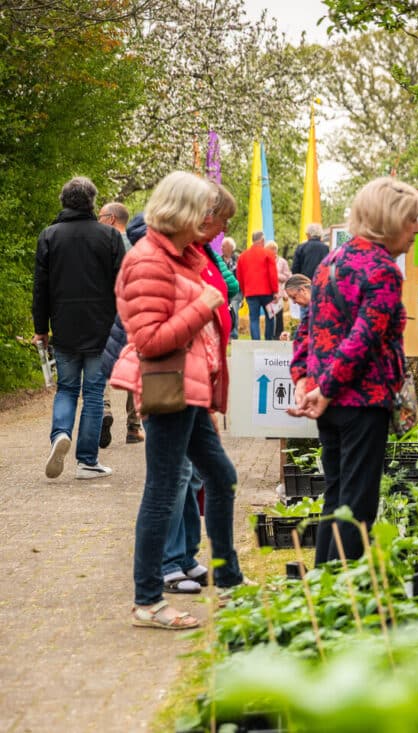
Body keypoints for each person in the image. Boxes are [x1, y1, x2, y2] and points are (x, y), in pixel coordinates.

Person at [110, 171, 245, 629]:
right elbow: (148, 339)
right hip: (168, 388)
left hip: (190, 389)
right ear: (183, 211)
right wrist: (202, 306)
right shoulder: (149, 260)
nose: (211, 221)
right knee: (163, 492)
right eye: (205, 211)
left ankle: (229, 580)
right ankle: (148, 600)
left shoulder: (182, 254)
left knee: (221, 476)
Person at [293, 177, 418, 565]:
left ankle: (322, 590)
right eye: (412, 219)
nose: (417, 229)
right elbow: (363, 339)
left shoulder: (330, 262)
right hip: (361, 400)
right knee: (358, 506)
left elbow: (308, 329)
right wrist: (328, 388)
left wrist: (305, 379)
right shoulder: (383, 270)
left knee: (336, 498)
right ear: (389, 220)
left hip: (330, 403)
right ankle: (344, 600)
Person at [162, 182, 240, 595]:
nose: (222, 229)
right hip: (175, 379)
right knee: (174, 476)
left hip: (200, 377)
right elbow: (155, 327)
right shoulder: (165, 253)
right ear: (200, 214)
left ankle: (187, 555)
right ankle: (166, 566)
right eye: (222, 220)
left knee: (197, 476)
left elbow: (225, 286)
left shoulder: (200, 251)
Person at [32, 176, 124, 479]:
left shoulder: (49, 236)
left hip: (64, 326)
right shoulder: (109, 237)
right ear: (92, 202)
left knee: (67, 388)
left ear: (63, 201)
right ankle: (87, 461)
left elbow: (41, 288)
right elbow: (123, 285)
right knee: (94, 393)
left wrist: (41, 328)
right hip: (101, 327)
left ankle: (60, 434)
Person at [96, 202, 138, 449]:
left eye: (100, 216)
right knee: (134, 364)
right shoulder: (138, 246)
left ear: (111, 219)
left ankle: (104, 409)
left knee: (100, 362)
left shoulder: (100, 244)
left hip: (103, 313)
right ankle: (133, 426)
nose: (98, 220)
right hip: (131, 314)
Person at [236, 230, 278, 340]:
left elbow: (239, 276)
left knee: (254, 318)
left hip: (251, 293)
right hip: (267, 293)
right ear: (262, 240)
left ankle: (256, 343)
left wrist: (245, 292)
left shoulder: (242, 256)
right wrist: (275, 291)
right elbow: (272, 275)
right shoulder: (269, 254)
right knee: (270, 316)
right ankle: (268, 340)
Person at [265, 239, 291, 338]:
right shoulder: (265, 261)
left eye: (273, 249)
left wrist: (276, 275)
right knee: (269, 315)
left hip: (279, 292)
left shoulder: (282, 261)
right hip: (267, 291)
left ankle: (278, 335)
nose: (271, 251)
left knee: (279, 316)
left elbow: (287, 276)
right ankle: (269, 335)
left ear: (276, 250)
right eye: (268, 249)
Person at [221, 237, 242, 339]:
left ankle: (233, 334)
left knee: (234, 310)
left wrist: (242, 295)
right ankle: (225, 333)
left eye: (224, 246)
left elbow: (242, 276)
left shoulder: (238, 260)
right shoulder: (219, 260)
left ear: (230, 248)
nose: (222, 248)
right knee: (224, 312)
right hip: (223, 292)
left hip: (236, 292)